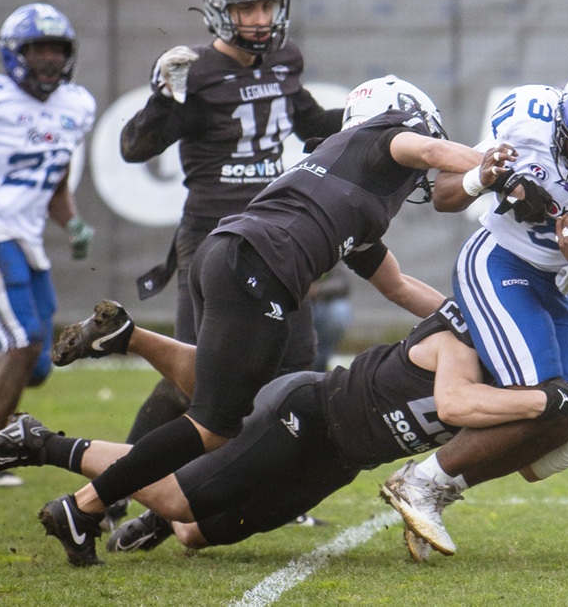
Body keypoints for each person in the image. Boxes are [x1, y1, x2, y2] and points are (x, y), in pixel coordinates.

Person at [36, 75, 487, 567]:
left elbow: (397, 285)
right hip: (259, 266)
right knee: (212, 425)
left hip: (231, 256)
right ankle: (83, 507)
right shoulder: (382, 138)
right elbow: (422, 149)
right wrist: (498, 167)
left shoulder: (352, 187)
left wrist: (469, 316)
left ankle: (126, 339)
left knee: (234, 399)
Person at [0, 299, 568, 566]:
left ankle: (158, 512)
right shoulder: (461, 342)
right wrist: (549, 396)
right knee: (177, 493)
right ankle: (38, 442)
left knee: (198, 533)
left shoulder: (513, 378)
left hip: (338, 459)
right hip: (309, 416)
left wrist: (567, 429)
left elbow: (525, 464)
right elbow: (456, 402)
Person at [378, 58, 568, 557]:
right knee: (541, 397)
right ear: (560, 120)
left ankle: (438, 489)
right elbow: (444, 195)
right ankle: (423, 483)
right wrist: (484, 178)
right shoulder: (526, 116)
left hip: (563, 282)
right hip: (499, 260)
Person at [114, 0, 343, 519]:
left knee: (295, 370)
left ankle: (268, 488)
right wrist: (162, 96)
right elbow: (135, 148)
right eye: (247, 8)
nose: (261, 19)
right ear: (218, 11)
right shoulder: (196, 70)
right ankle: (116, 483)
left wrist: (376, 117)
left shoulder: (286, 59)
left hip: (277, 234)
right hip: (213, 238)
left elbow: (313, 125)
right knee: (196, 381)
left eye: (267, 5)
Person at [0, 3, 96, 487]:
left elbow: (55, 185)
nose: (49, 59)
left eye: (57, 49)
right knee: (25, 337)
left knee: (39, 361)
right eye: (38, 49)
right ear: (15, 54)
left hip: (27, 235)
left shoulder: (77, 105)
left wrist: (72, 223)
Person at [309, 265, 354, 372]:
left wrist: (317, 289)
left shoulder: (328, 251)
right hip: (296, 306)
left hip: (322, 304)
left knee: (340, 310)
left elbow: (342, 282)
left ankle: (321, 362)